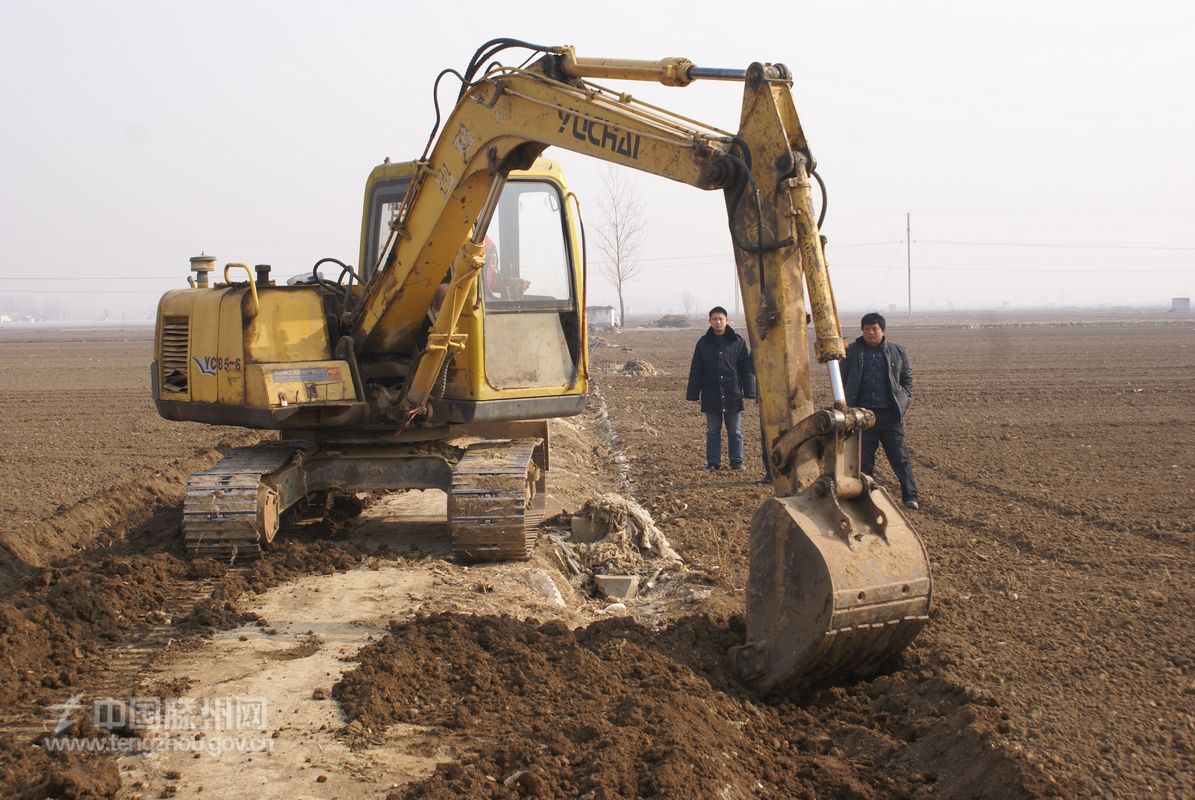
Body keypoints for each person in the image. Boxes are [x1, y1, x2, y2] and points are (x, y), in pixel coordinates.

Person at [840, 312, 920, 509]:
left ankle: (910, 496)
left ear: (882, 330)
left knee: (900, 458)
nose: (870, 333)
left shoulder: (897, 352)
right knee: (864, 461)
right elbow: (843, 378)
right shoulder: (852, 352)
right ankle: (864, 498)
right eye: (867, 329)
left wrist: (904, 400)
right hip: (864, 417)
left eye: (874, 329)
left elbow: (906, 381)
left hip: (889, 415)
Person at [686, 306, 756, 471]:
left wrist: (749, 391)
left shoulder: (737, 342)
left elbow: (746, 368)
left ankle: (737, 462)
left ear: (726, 320)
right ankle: (713, 463)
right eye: (714, 319)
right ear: (709, 321)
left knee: (735, 431)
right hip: (711, 394)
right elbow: (696, 369)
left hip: (733, 393)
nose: (718, 322)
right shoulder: (703, 343)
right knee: (712, 431)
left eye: (721, 319)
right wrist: (693, 393)